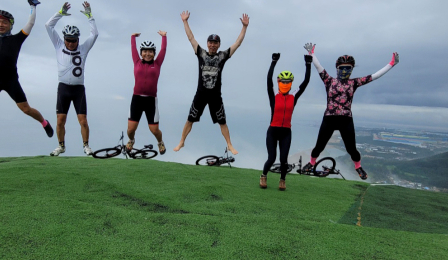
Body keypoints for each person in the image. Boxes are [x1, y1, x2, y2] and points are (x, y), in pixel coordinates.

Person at [301, 43, 400, 180]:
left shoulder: (354, 83)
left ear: (352, 69)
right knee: (319, 147)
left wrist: (391, 64)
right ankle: (311, 163)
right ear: (337, 68)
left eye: (348, 68)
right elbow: (318, 67)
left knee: (351, 149)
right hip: (329, 119)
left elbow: (374, 76)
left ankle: (358, 166)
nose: (345, 71)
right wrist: (312, 53)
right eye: (342, 68)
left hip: (345, 120)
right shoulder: (329, 81)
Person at [0, 0, 53, 137]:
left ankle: (44, 123)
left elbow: (30, 23)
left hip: (10, 81)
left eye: (4, 23)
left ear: (10, 25)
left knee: (26, 109)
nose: (0, 25)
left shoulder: (17, 39)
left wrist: (33, 7)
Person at [173, 10, 249, 155]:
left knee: (222, 122)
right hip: (200, 94)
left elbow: (237, 43)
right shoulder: (201, 53)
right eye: (211, 42)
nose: (213, 45)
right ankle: (182, 141)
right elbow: (191, 38)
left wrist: (244, 27)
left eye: (215, 43)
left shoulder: (222, 56)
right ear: (207, 44)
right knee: (190, 119)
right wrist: (185, 22)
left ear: (219, 44)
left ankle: (229, 145)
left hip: (215, 96)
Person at [45, 2, 98, 156]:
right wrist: (60, 13)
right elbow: (48, 26)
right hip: (63, 88)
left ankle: (86, 146)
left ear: (77, 40)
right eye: (68, 39)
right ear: (64, 39)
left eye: (73, 40)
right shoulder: (58, 45)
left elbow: (94, 34)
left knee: (83, 121)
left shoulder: (83, 48)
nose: (70, 43)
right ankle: (61, 146)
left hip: (78, 89)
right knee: (60, 120)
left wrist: (90, 16)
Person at [260, 53, 312, 190]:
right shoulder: (273, 96)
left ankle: (282, 180)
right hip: (273, 130)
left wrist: (308, 64)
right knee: (271, 158)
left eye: (288, 82)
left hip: (286, 132)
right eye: (283, 81)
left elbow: (305, 82)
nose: (285, 84)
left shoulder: (293, 96)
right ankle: (263, 176)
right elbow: (268, 79)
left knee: (283, 160)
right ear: (279, 82)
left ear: (291, 84)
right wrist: (273, 61)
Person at [126, 31, 167, 154]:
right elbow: (133, 48)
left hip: (151, 100)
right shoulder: (137, 62)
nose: (147, 54)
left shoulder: (157, 64)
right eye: (145, 51)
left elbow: (163, 50)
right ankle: (131, 140)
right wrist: (132, 37)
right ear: (141, 53)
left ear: (154, 53)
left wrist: (164, 37)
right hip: (137, 99)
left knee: (154, 130)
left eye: (150, 51)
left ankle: (160, 142)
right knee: (130, 129)